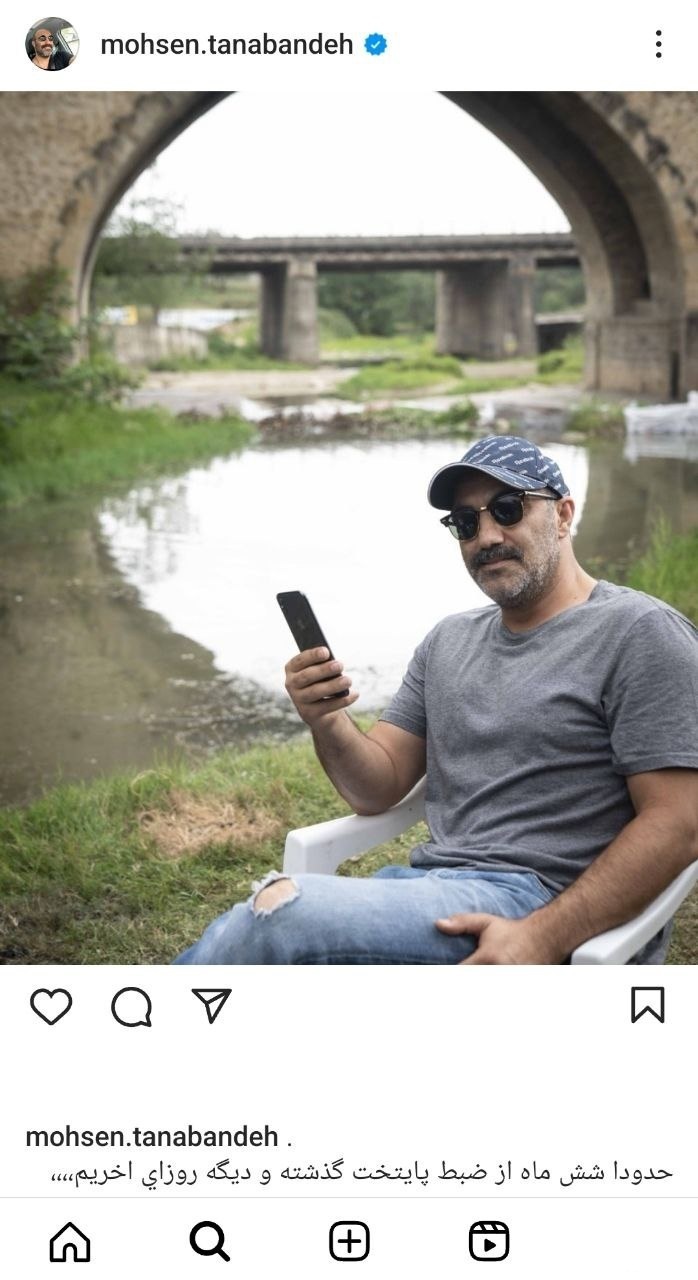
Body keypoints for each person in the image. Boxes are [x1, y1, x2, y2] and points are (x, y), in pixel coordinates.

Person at [174, 435, 698, 965]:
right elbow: (376, 787)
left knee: (281, 912)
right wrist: (326, 719)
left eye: (508, 509)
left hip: (544, 905)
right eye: (465, 522)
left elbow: (680, 823)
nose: (486, 536)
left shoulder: (639, 633)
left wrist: (542, 937)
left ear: (562, 515)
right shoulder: (449, 641)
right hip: (433, 888)